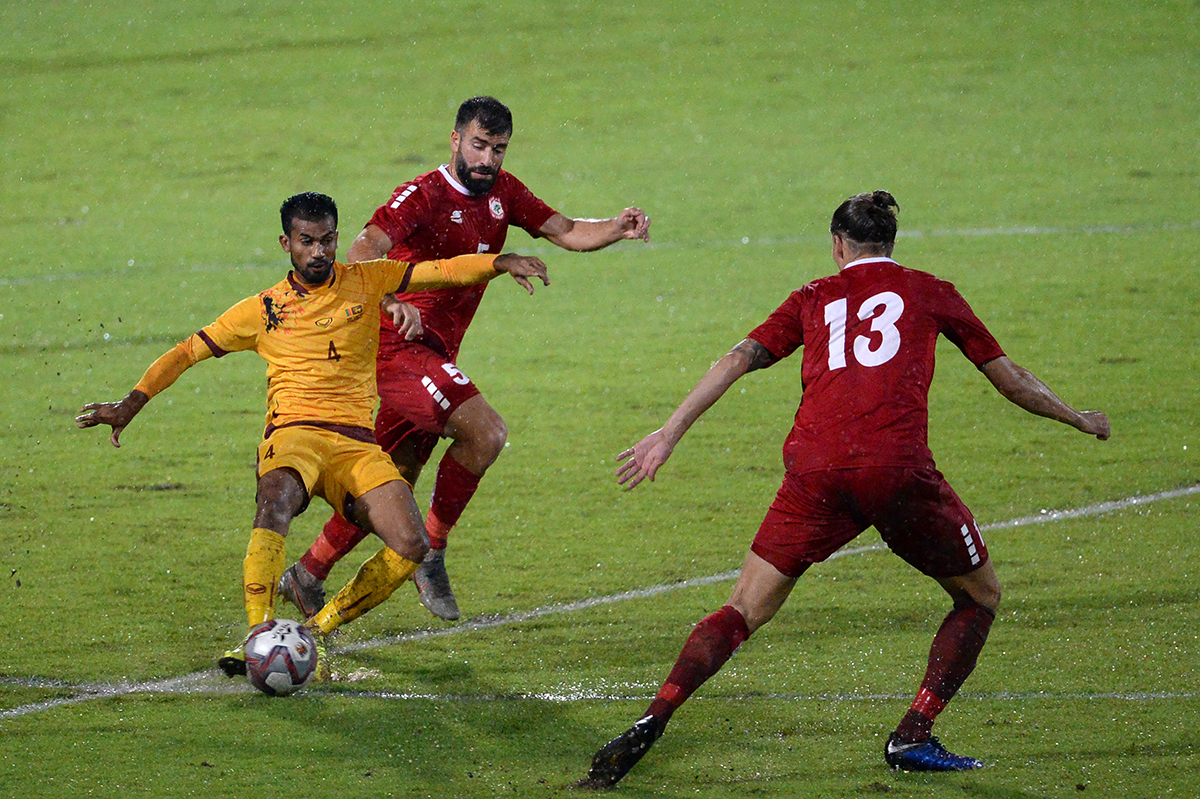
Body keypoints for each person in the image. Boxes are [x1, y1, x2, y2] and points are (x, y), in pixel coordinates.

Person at [580, 191, 1110, 786]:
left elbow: (736, 360)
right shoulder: (930, 290)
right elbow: (1009, 379)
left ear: (838, 245)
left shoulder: (813, 296)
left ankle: (652, 719)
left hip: (815, 473)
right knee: (979, 597)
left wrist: (668, 433)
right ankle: (913, 733)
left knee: (743, 608)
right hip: (896, 472)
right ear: (891, 244)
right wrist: (1078, 418)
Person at [75, 192, 549, 675]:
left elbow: (443, 271)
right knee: (274, 501)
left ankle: (313, 634)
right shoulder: (263, 309)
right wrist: (131, 403)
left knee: (412, 544)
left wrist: (500, 262)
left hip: (355, 446)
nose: (319, 252)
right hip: (294, 436)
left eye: (327, 240)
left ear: (337, 238)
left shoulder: (368, 279)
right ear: (287, 243)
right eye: (307, 241)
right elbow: (186, 352)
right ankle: (258, 635)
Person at [278, 96, 652, 622]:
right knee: (486, 433)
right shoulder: (423, 195)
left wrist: (617, 227)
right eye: (478, 145)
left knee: (393, 475)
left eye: (498, 149)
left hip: (435, 353)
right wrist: (391, 300)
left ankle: (307, 574)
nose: (487, 159)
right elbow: (363, 249)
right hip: (397, 348)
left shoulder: (505, 192)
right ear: (455, 140)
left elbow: (565, 230)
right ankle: (432, 549)